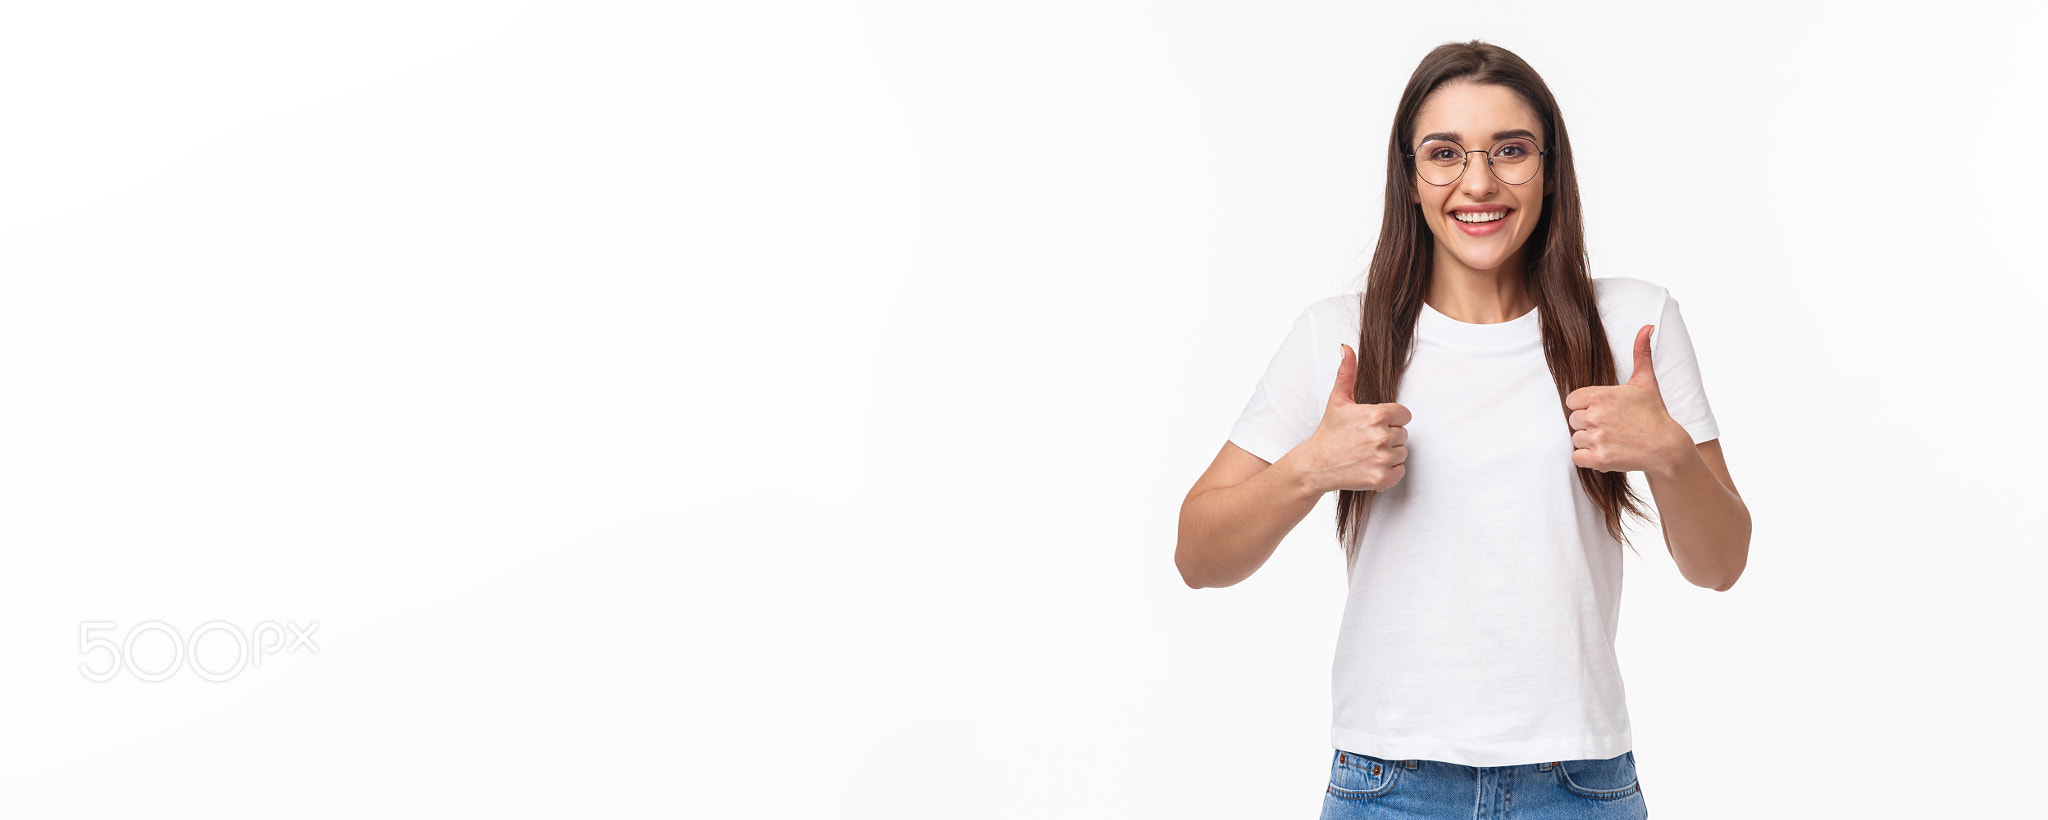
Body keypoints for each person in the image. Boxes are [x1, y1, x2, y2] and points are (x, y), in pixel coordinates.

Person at [1174, 40, 1752, 819]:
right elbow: (1197, 554)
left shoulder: (1634, 326)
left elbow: (1721, 566)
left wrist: (1672, 456)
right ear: (1409, 177)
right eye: (1445, 154)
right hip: (1390, 786)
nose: (1478, 182)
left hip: (1579, 783)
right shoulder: (1337, 338)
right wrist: (1308, 468)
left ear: (1549, 168)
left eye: (1511, 151)